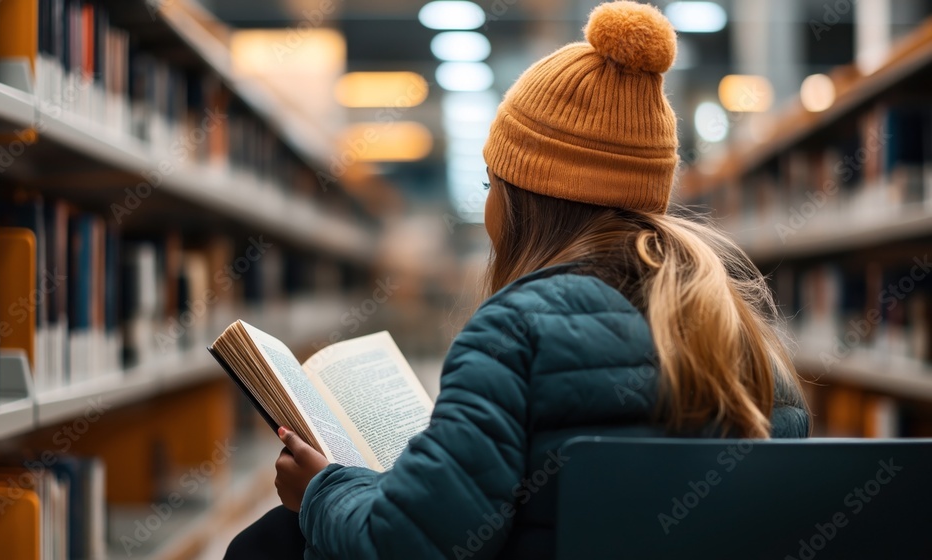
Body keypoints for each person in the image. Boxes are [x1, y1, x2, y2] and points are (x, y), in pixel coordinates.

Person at [224, 2, 810, 559]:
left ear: (522, 198)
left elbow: (411, 547)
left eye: (490, 185)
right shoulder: (747, 333)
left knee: (267, 545)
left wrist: (323, 490)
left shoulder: (515, 332)